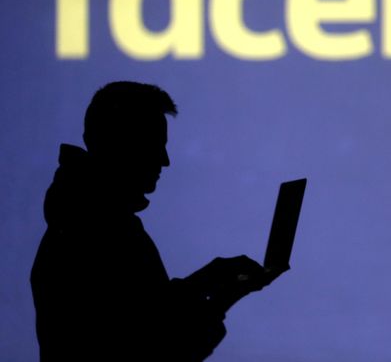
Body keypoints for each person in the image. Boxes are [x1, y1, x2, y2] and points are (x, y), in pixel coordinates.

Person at [31, 81, 284, 361]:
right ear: (120, 144)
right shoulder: (102, 230)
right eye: (154, 146)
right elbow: (155, 344)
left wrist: (210, 285)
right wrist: (219, 293)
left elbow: (147, 317)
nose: (165, 161)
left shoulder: (87, 220)